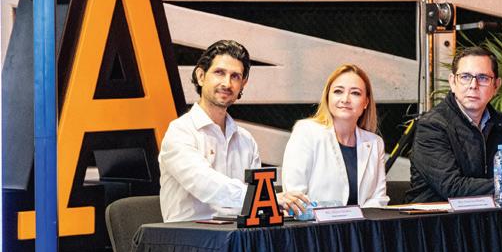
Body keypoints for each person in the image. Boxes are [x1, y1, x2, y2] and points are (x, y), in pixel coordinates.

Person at [159, 40, 305, 222]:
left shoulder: (246, 140)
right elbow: (205, 184)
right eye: (219, 73)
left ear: (243, 84)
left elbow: (254, 205)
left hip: (237, 235)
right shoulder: (180, 132)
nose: (227, 83)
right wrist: (266, 199)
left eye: (235, 76)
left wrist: (279, 207)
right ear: (201, 76)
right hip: (190, 236)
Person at [407, 46, 502, 203]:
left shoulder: (501, 123)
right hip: (436, 216)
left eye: (483, 78)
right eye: (465, 77)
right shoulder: (432, 126)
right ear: (452, 82)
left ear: (496, 86)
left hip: (488, 214)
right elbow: (452, 187)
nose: (473, 85)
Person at [281, 64, 389, 208]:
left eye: (355, 93)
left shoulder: (375, 143)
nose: (345, 99)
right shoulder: (306, 131)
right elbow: (295, 197)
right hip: (315, 222)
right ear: (327, 97)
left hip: (364, 222)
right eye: (338, 91)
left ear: (366, 102)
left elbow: (378, 200)